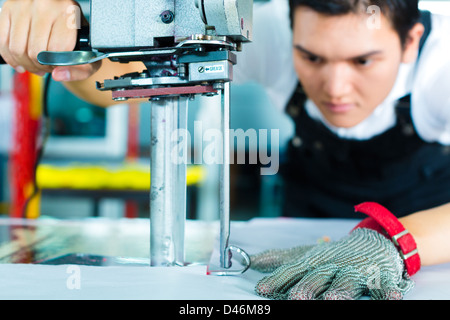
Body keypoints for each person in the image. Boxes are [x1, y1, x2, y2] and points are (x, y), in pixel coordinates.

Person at [1, 0, 450, 300]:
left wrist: (395, 242)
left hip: (431, 229)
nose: (334, 88)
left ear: (409, 41)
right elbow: (119, 78)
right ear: (290, 31)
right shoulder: (268, 30)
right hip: (308, 215)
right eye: (311, 58)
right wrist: (69, 42)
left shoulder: (442, 65)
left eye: (362, 61)